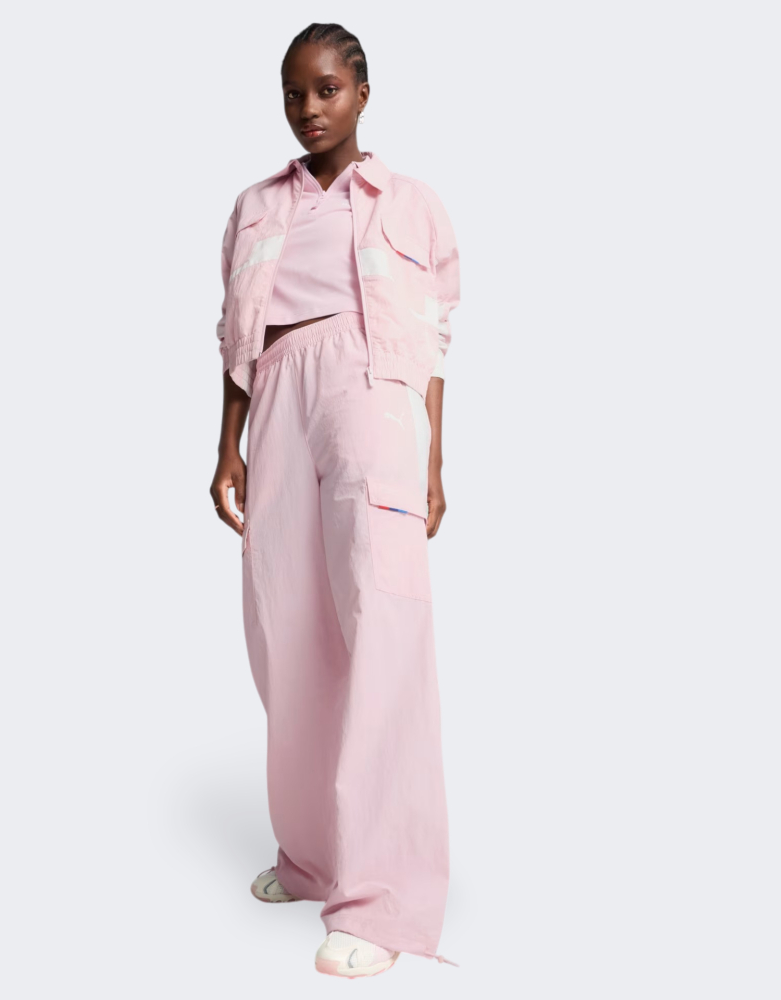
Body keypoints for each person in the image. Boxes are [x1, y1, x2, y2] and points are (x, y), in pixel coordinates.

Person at [209, 23, 460, 978]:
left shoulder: (411, 203)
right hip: (278, 392)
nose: (308, 109)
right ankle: (313, 857)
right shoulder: (254, 206)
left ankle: (384, 898)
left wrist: (435, 459)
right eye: (293, 93)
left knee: (381, 624)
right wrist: (226, 445)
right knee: (286, 629)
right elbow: (235, 336)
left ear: (362, 92)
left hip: (369, 392)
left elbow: (433, 335)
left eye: (326, 89)